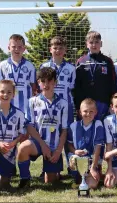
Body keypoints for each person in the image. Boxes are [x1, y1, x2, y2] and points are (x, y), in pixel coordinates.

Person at [17, 67, 68, 188]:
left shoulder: (63, 103)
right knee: (23, 148)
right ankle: (25, 178)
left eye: (50, 81)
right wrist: (42, 145)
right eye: (43, 81)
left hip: (54, 145)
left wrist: (58, 150)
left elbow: (64, 129)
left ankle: (53, 173)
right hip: (38, 142)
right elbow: (29, 125)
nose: (47, 84)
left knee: (50, 183)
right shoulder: (32, 101)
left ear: (55, 82)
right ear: (38, 82)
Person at [40, 36, 76, 176]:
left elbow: (73, 88)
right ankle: (49, 169)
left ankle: (72, 167)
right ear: (50, 49)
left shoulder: (71, 68)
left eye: (61, 48)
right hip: (49, 107)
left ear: (65, 50)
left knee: (67, 137)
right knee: (50, 136)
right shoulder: (44, 67)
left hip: (66, 107)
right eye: (55, 48)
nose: (58, 50)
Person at [74, 31, 117, 121]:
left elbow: (113, 84)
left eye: (97, 42)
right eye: (91, 42)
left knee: (101, 130)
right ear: (87, 44)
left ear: (101, 44)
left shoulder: (107, 61)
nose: (94, 45)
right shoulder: (81, 61)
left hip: (102, 103)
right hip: (85, 104)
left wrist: (111, 104)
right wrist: (78, 106)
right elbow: (77, 86)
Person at [67, 98, 105, 189]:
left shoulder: (98, 124)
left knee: (92, 185)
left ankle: (93, 173)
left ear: (96, 112)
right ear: (80, 112)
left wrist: (93, 167)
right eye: (85, 111)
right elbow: (69, 144)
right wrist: (75, 151)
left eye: (91, 111)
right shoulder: (73, 126)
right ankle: (78, 177)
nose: (88, 114)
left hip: (92, 160)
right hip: (78, 159)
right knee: (73, 159)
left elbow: (98, 148)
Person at [0, 34, 37, 112]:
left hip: (26, 107)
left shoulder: (30, 66)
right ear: (9, 48)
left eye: (20, 47)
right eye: (14, 47)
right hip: (7, 106)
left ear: (24, 48)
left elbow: (33, 86)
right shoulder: (2, 65)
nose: (17, 49)